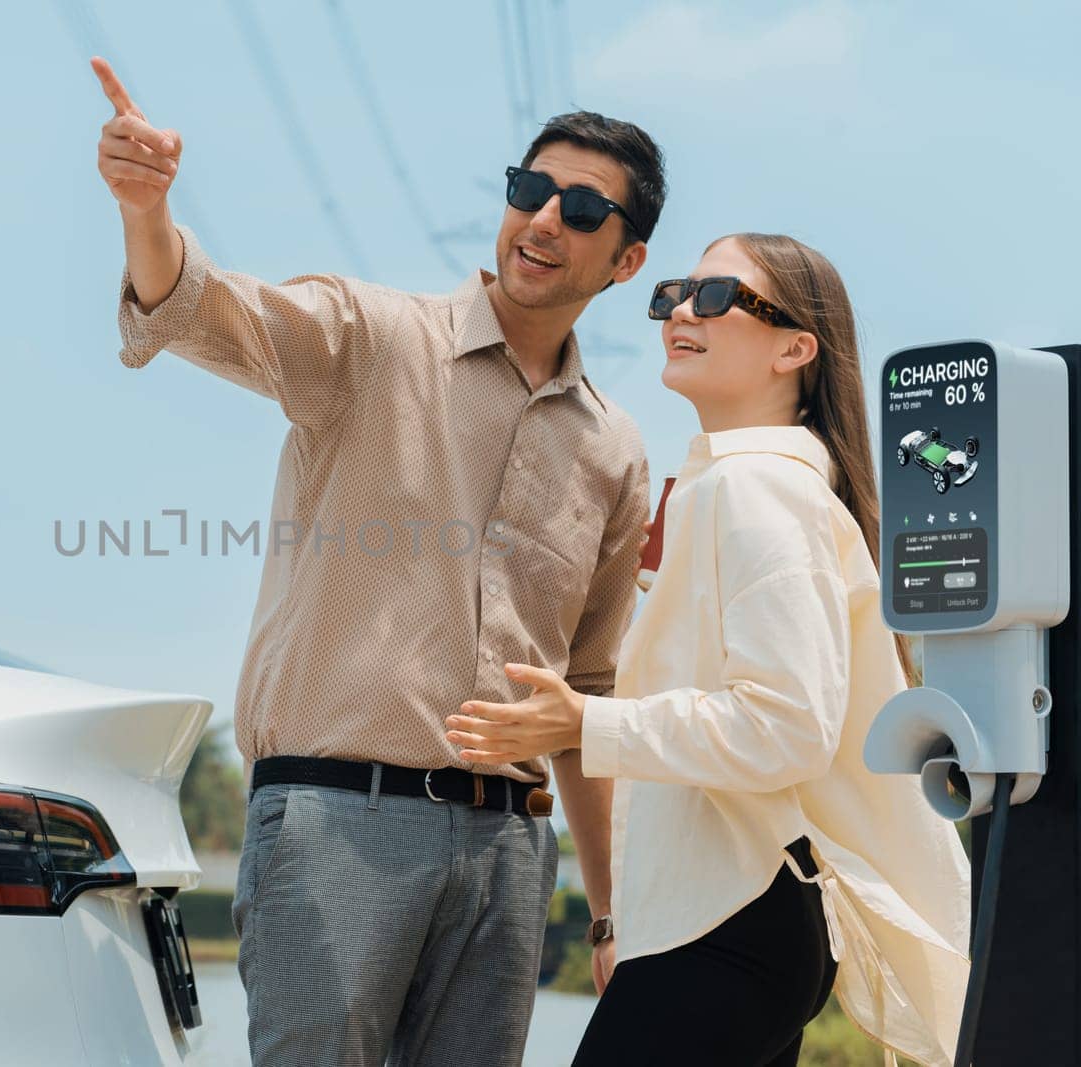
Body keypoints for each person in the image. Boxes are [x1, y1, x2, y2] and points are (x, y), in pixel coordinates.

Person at [92, 56, 663, 1066]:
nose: (542, 221)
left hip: (509, 852)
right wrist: (147, 210)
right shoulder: (372, 335)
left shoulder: (615, 450)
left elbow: (585, 693)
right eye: (530, 191)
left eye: (581, 209)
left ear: (625, 260)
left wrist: (608, 908)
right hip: (334, 825)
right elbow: (200, 306)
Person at [445, 233, 972, 1065]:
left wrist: (586, 721)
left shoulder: (754, 486)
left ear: (796, 348)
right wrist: (630, 922)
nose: (682, 311)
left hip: (733, 917)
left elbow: (785, 725)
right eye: (672, 296)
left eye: (719, 297)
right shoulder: (746, 485)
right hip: (734, 917)